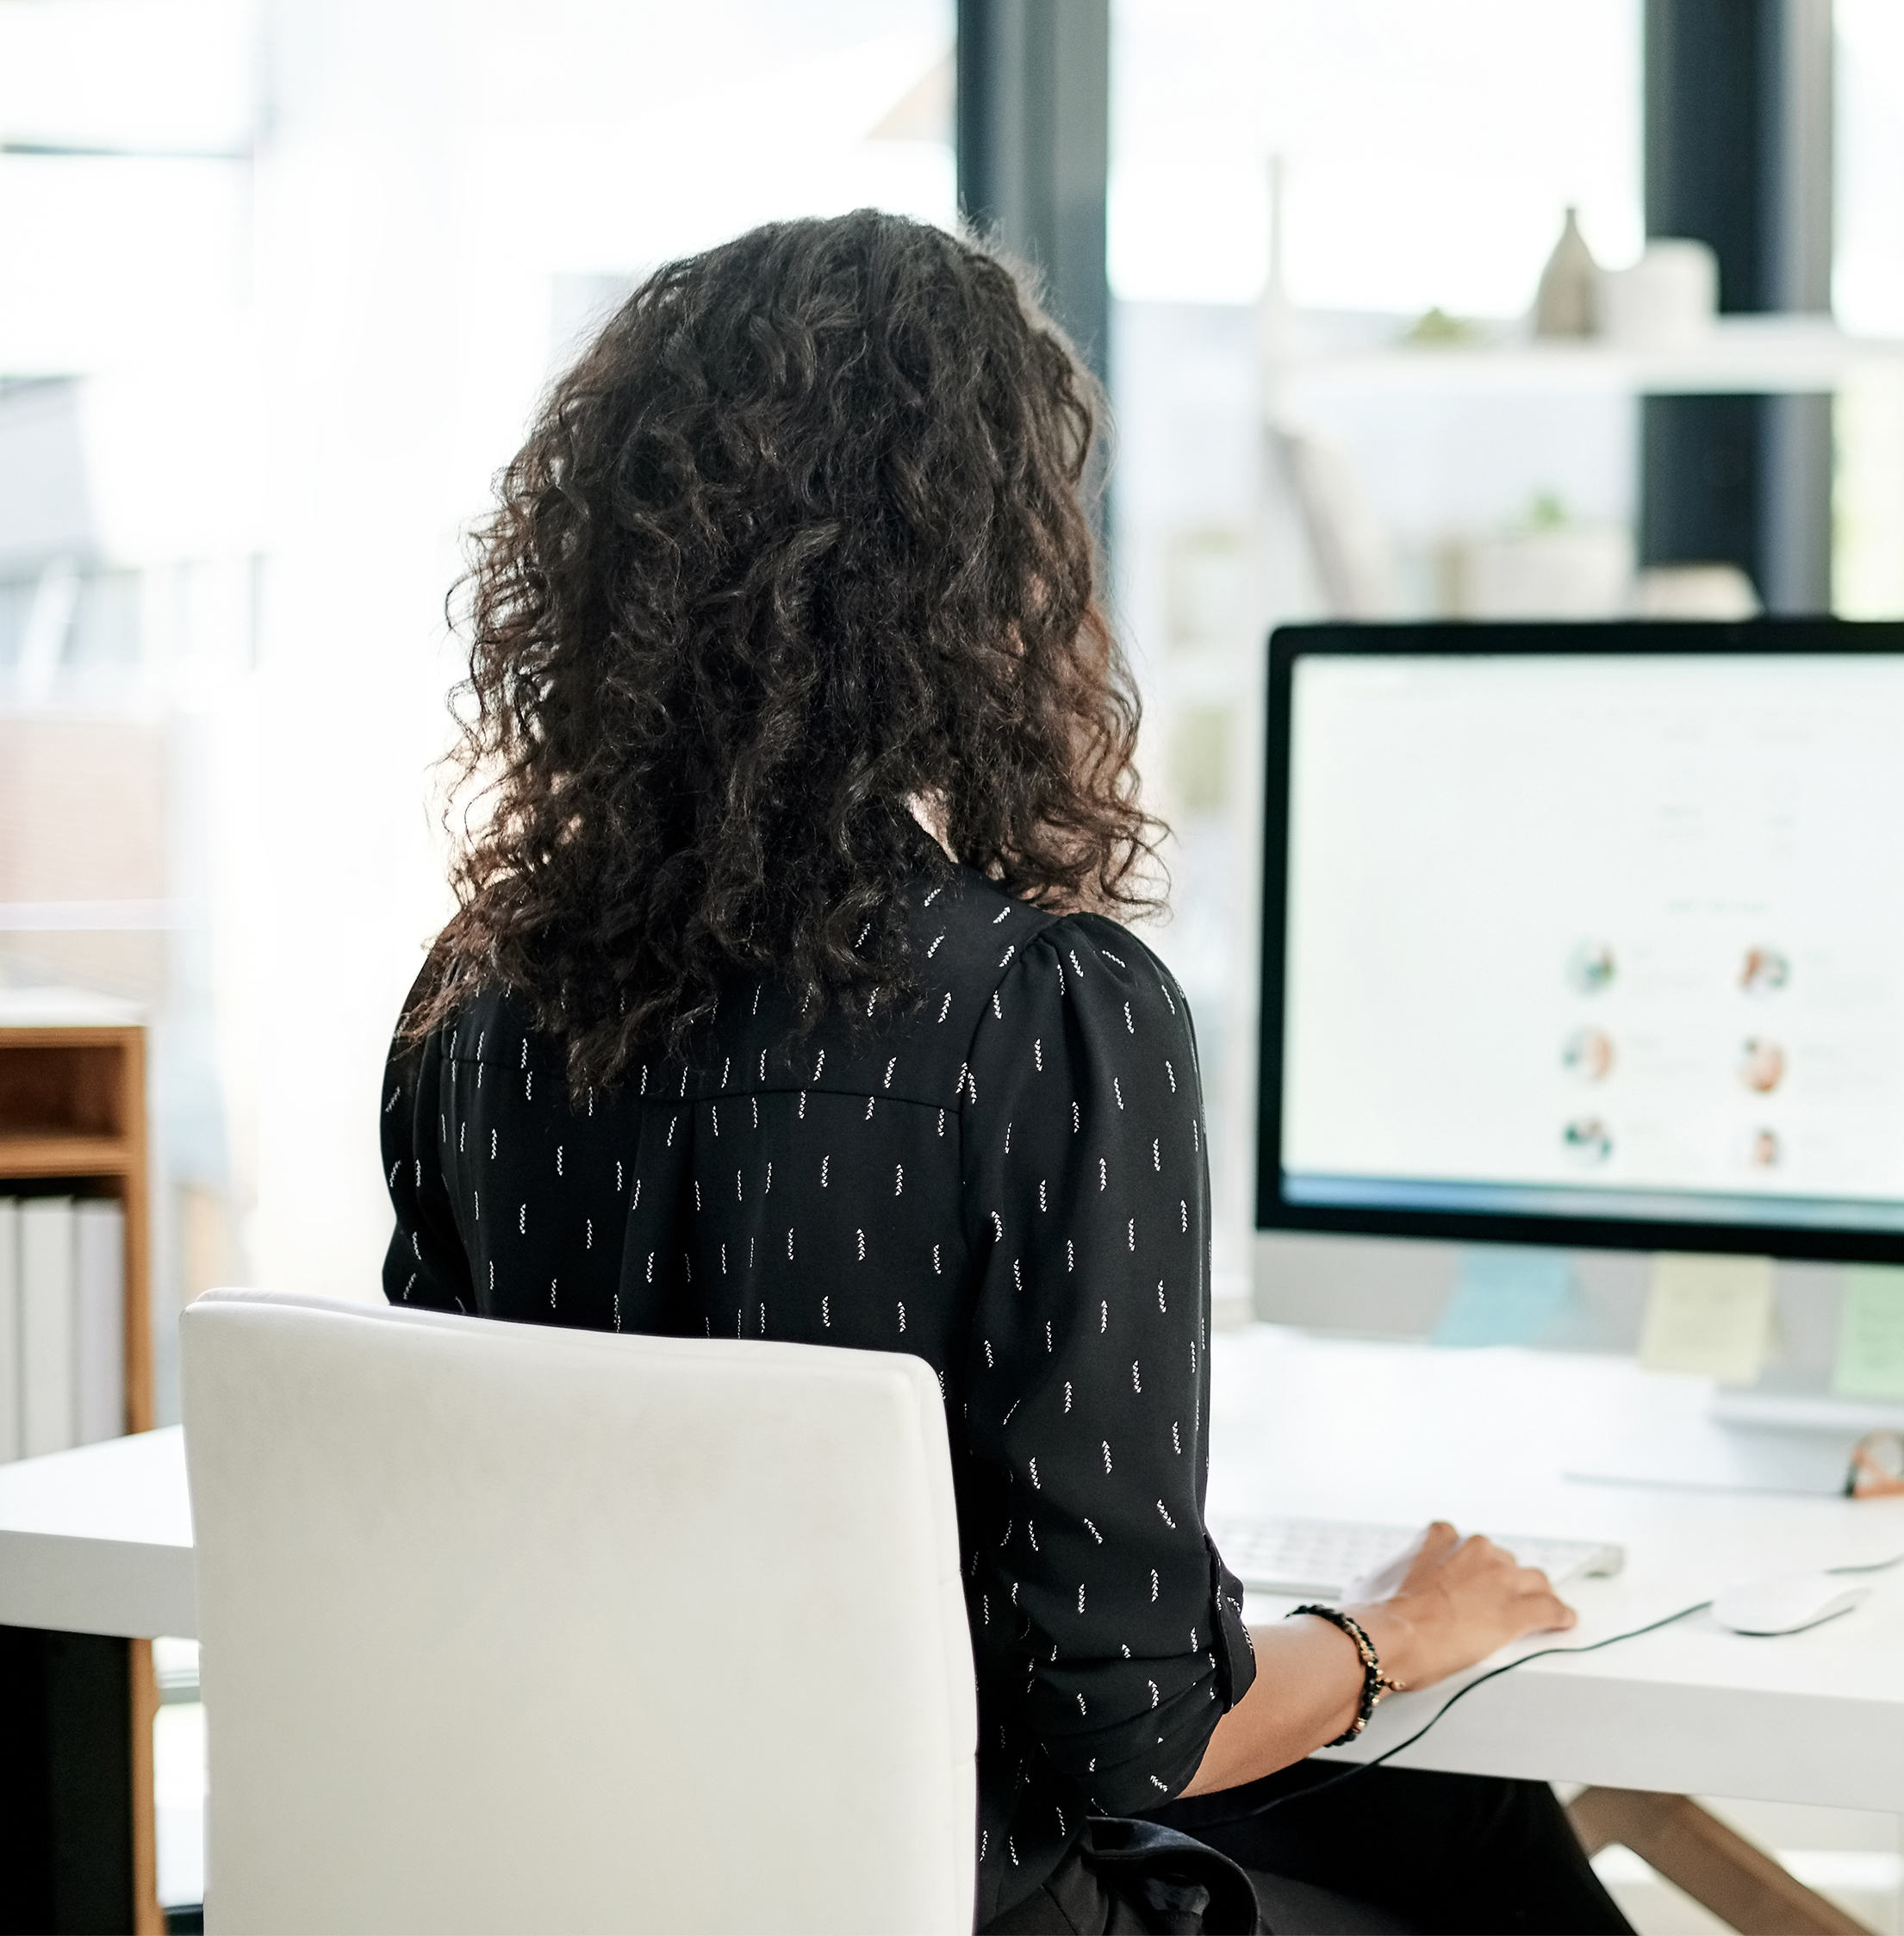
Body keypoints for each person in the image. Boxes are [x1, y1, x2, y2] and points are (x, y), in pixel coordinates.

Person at [378, 213, 1632, 1936]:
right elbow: (1126, 1731)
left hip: (591, 1882)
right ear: (986, 580)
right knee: (1468, 1845)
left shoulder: (474, 1008)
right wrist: (1382, 1635)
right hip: (945, 1904)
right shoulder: (1045, 1008)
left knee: (1458, 1831)